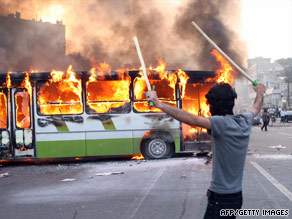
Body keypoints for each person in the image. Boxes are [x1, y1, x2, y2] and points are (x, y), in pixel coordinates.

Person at [145, 82, 266, 219]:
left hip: (221, 198)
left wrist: (159, 104)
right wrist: (260, 92)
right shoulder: (244, 120)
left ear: (213, 105)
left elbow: (192, 119)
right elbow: (256, 106)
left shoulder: (220, 123)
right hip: (236, 196)